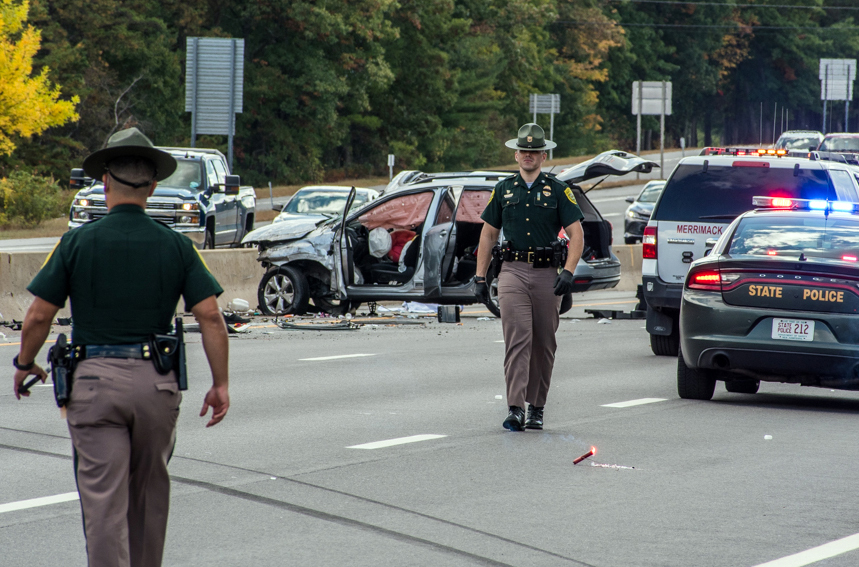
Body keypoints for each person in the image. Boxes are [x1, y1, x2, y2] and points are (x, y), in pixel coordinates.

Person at [11, 127, 231, 567]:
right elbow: (210, 316)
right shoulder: (178, 246)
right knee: (148, 496)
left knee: (103, 503)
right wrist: (220, 384)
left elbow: (38, 315)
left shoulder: (76, 242)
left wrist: (25, 362)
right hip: (156, 385)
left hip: (93, 384)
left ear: (105, 182)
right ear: (153, 186)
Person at [474, 123, 584, 431]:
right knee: (517, 338)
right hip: (512, 272)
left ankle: (537, 407)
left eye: (534, 152)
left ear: (543, 156)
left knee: (544, 343)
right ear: (516, 154)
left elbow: (577, 234)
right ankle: (515, 408)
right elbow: (488, 234)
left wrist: (568, 272)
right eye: (523, 150)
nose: (528, 155)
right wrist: (480, 277)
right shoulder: (504, 190)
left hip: (547, 274)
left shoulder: (558, 190)